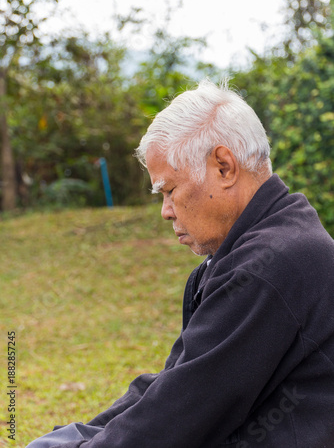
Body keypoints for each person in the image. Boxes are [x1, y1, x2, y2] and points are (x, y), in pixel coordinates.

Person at [27, 79, 334, 448]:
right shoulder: (268, 242)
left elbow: (177, 416)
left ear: (224, 167)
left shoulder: (270, 266)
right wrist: (79, 436)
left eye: (170, 190)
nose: (165, 212)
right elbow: (176, 379)